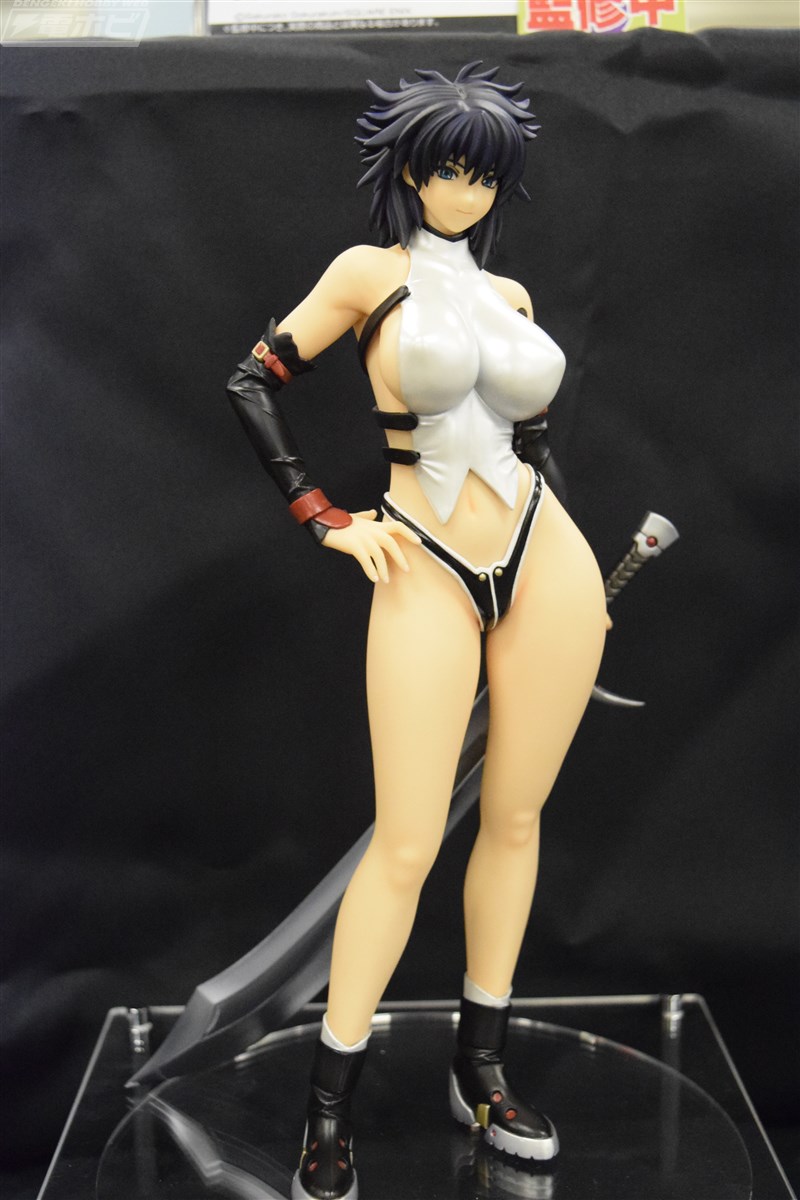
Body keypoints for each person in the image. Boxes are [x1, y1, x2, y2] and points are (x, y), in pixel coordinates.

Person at [226, 62, 608, 1200]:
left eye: (485, 176)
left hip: (546, 557)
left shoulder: (512, 297)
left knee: (516, 818)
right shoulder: (368, 275)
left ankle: (480, 1070)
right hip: (421, 555)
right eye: (449, 169)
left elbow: (532, 447)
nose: (466, 192)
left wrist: (579, 580)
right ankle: (327, 1108)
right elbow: (252, 380)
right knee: (405, 842)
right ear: (408, 169)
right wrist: (321, 515)